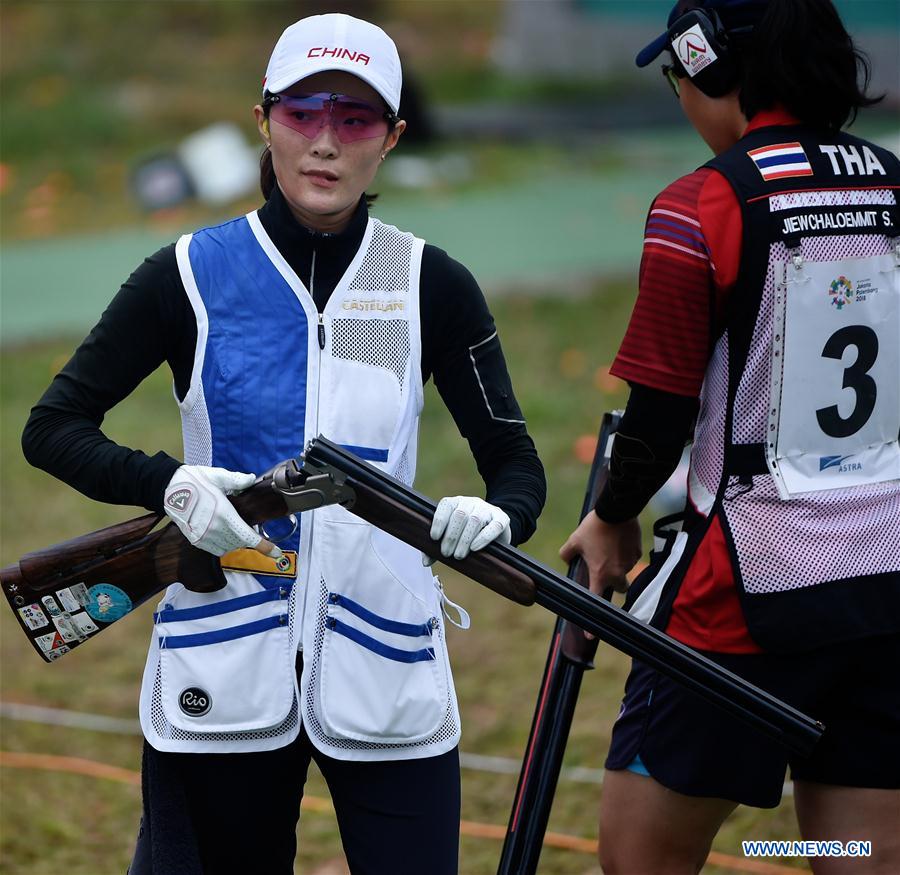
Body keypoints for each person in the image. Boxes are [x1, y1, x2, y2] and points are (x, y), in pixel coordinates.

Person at [21, 13, 545, 874]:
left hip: (388, 663)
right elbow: (53, 429)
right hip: (221, 654)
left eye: (356, 119)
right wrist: (173, 486)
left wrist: (498, 515)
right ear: (263, 120)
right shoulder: (186, 272)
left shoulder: (430, 282)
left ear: (393, 139)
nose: (327, 143)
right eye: (304, 114)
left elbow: (517, 464)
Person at [560, 0, 900, 871]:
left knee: (641, 859)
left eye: (678, 78)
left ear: (714, 69)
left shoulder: (700, 203)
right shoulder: (893, 186)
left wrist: (610, 514)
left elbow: (660, 408)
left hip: (745, 593)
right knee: (858, 851)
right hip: (885, 583)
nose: (680, 97)